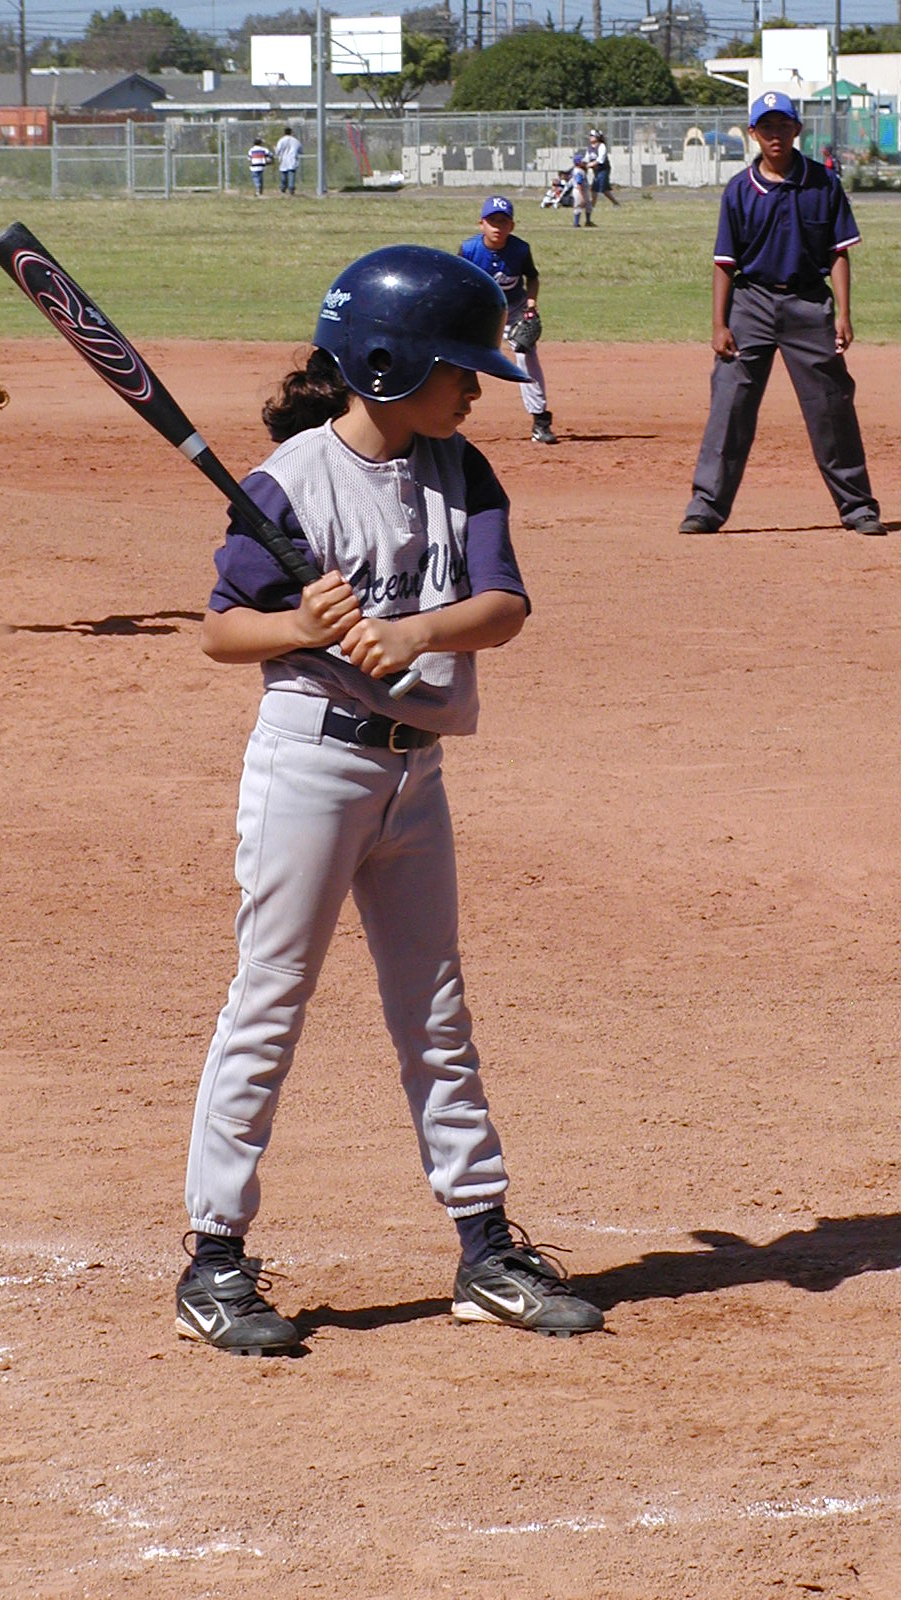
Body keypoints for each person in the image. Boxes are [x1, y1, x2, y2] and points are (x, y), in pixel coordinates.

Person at [174, 245, 605, 1354]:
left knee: (435, 1006)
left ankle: (484, 1247)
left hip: (417, 773)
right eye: (459, 369)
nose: (474, 390)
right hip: (310, 768)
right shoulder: (290, 483)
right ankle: (213, 1259)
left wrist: (409, 632)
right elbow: (222, 631)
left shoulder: (461, 470)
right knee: (271, 999)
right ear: (386, 365)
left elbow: (503, 606)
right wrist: (300, 626)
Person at [679, 92, 886, 538]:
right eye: (767, 127)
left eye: (784, 125)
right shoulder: (739, 190)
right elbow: (724, 263)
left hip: (809, 304)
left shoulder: (823, 183)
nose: (776, 135)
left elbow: (838, 253)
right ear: (753, 133)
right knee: (730, 405)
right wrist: (718, 324)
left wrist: (844, 313)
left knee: (830, 406)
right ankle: (706, 507)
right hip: (750, 303)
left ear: (798, 130)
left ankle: (857, 507)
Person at [459, 195, 559, 445]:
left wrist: (531, 306)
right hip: (481, 311)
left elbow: (532, 278)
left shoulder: (520, 249)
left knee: (527, 356)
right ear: (481, 224)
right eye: (492, 221)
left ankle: (540, 421)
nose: (497, 227)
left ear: (511, 226)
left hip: (514, 309)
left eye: (503, 221)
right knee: (459, 360)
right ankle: (444, 419)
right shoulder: (469, 250)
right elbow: (457, 281)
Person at [587, 127, 619, 207]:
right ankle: (592, 205)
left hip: (603, 169)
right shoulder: (590, 148)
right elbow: (586, 158)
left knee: (603, 189)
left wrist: (589, 165)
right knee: (594, 188)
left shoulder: (601, 146)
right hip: (596, 171)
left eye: (592, 135)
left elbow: (600, 160)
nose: (590, 137)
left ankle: (615, 203)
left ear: (597, 137)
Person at [275, 125, 302, 195]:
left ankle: (283, 188)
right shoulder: (295, 141)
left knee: (283, 175)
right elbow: (300, 150)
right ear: (291, 132)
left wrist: (275, 150)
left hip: (283, 160)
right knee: (291, 174)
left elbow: (277, 151)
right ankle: (291, 189)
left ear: (284, 133)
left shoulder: (281, 140)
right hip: (292, 159)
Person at [570, 149, 593, 227]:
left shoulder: (579, 170)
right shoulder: (578, 172)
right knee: (578, 205)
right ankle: (576, 223)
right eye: (582, 162)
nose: (584, 163)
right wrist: (582, 196)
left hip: (583, 190)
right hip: (579, 190)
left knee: (588, 205)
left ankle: (588, 221)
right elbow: (579, 184)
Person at [247, 133, 273, 198]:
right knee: (260, 178)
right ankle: (260, 190)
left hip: (254, 166)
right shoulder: (264, 149)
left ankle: (258, 189)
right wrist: (268, 160)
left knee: (255, 178)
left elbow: (249, 158)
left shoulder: (251, 150)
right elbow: (270, 155)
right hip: (261, 166)